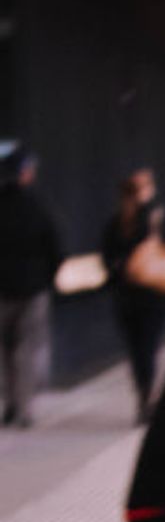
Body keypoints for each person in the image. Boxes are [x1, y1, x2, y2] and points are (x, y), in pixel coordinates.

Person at [98, 167, 165, 423]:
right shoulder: (154, 219)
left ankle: (143, 391)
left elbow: (106, 259)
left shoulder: (115, 223)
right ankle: (147, 395)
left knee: (136, 349)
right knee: (149, 347)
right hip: (153, 296)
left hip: (125, 297)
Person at [0, 143, 63, 428]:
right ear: (25, 174)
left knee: (4, 350)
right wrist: (47, 278)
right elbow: (56, 248)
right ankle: (24, 408)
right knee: (26, 349)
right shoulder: (38, 207)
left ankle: (10, 404)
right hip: (33, 289)